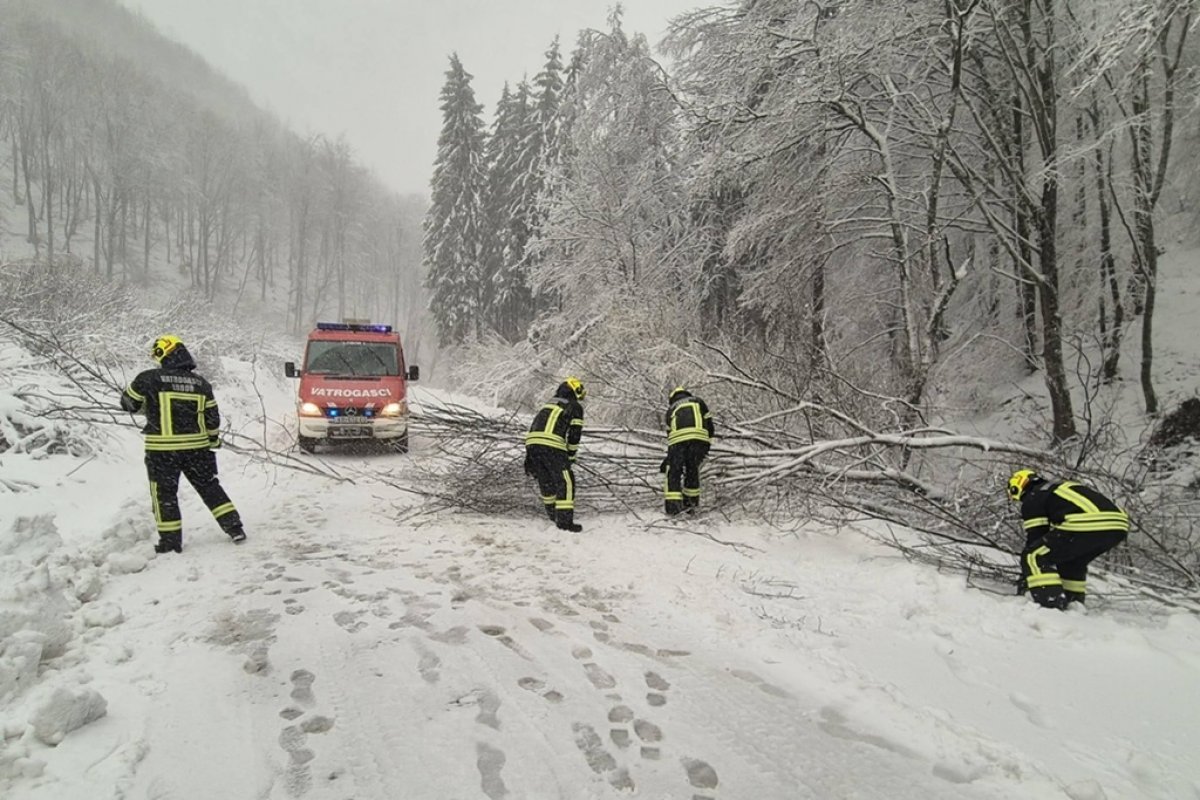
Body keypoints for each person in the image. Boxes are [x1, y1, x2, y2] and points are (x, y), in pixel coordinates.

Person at [120, 335, 247, 553]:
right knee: (209, 487)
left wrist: (146, 405)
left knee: (164, 495)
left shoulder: (148, 378)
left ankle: (170, 543)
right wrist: (213, 439)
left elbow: (128, 404)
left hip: (162, 451)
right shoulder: (201, 384)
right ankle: (234, 527)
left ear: (162, 353)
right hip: (197, 450)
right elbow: (212, 418)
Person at [1007, 468, 1129, 609]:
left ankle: (1050, 605)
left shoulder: (1034, 496)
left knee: (1033, 556)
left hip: (1088, 522)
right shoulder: (1059, 487)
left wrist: (1027, 578)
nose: (1020, 501)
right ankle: (1073, 604)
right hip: (1118, 525)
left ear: (1017, 487)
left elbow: (1036, 536)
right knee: (1071, 561)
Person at [524, 377, 586, 532]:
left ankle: (553, 514)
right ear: (576, 390)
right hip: (551, 445)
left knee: (546, 480)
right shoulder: (574, 406)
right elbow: (574, 434)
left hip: (532, 444)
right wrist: (571, 456)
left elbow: (535, 426)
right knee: (566, 481)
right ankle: (564, 522)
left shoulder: (549, 403)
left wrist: (528, 456)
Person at [661, 386, 714, 516]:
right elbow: (710, 425)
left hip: (678, 441)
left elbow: (669, 433)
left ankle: (673, 509)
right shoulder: (698, 401)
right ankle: (691, 506)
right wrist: (707, 444)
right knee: (692, 471)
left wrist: (670, 457)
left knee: (674, 472)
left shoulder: (671, 408)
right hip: (699, 440)